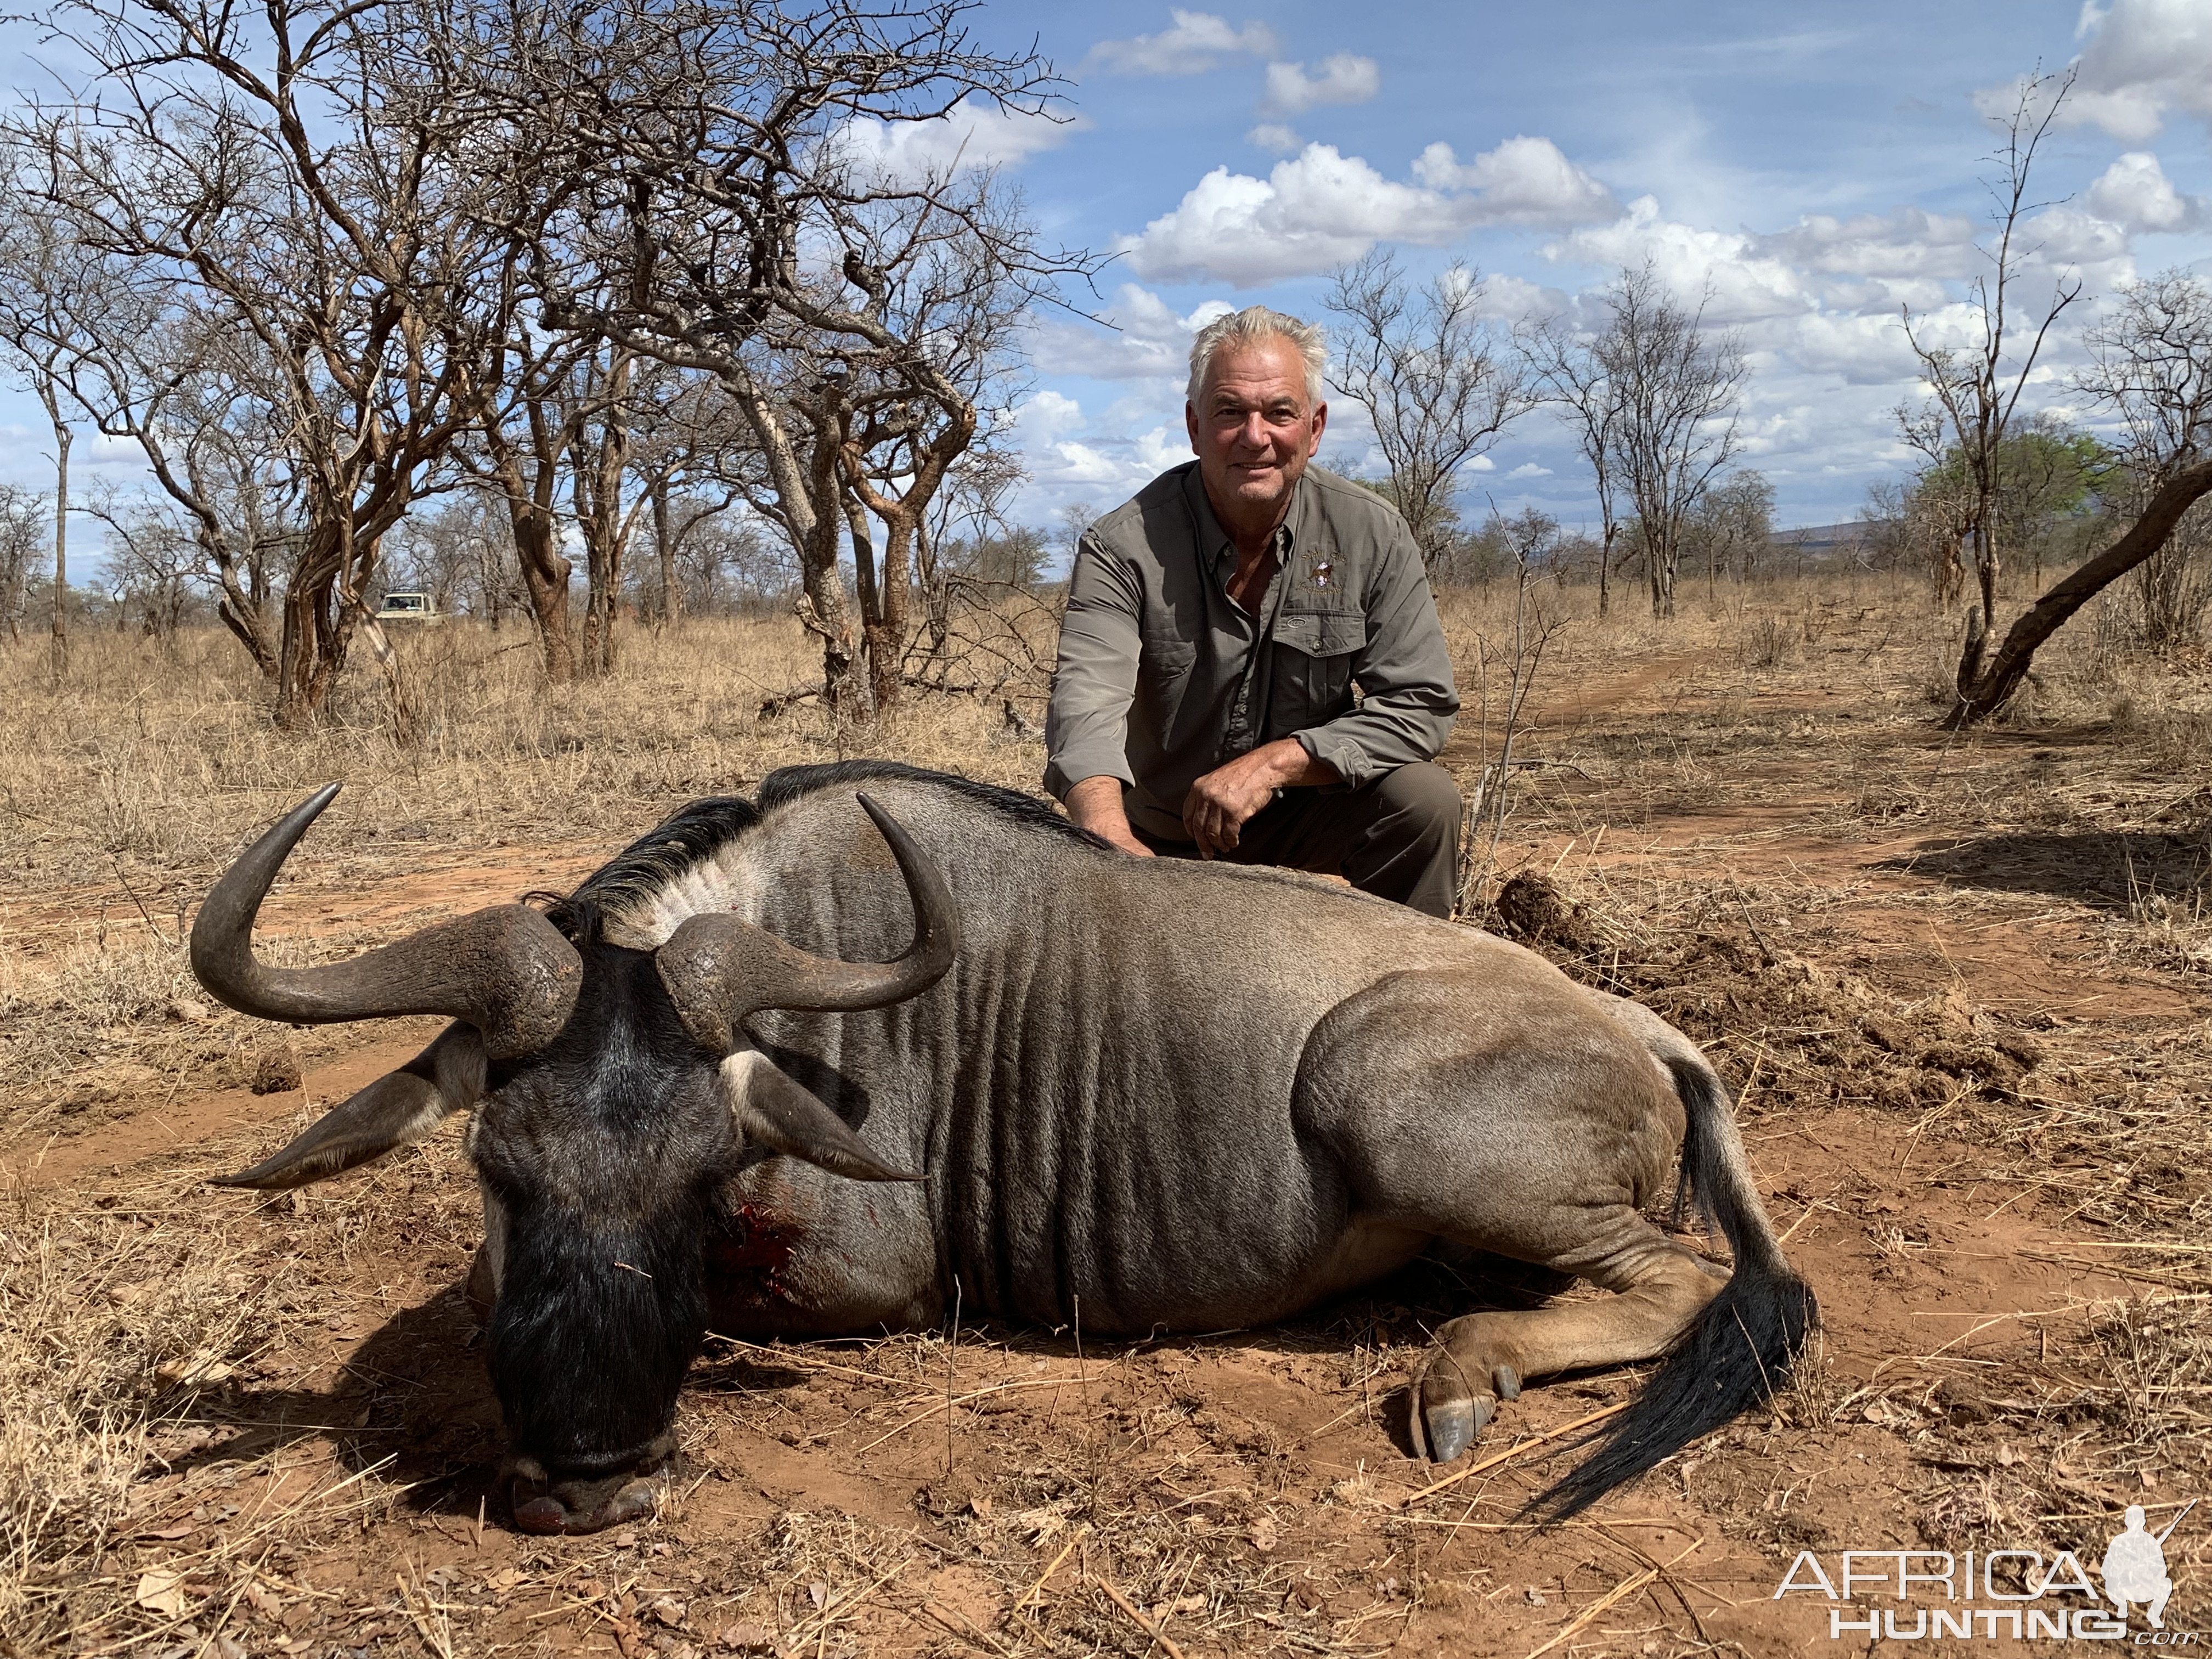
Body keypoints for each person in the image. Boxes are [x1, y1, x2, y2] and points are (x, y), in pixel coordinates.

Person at [1043, 305, 1463, 916]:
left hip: (1302, 815)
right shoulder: (1123, 545)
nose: (1255, 436)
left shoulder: (1371, 532)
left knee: (1423, 802)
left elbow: (1419, 704)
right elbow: (1085, 710)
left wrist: (1273, 766)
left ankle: (1410, 993)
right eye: (1230, 412)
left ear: (1314, 428)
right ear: (1194, 426)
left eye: (1280, 412)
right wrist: (1111, 841)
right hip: (1160, 835)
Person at [2101, 1505, 2174, 1629]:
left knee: (2167, 1584)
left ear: (2143, 1522)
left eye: (2137, 1520)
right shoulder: (2119, 1542)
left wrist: (2148, 1570)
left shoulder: (2151, 1542)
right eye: (2131, 1520)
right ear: (2126, 1521)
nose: (2134, 1523)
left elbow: (2163, 1570)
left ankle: (2154, 1615)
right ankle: (2122, 1608)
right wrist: (2123, 1571)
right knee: (2110, 1584)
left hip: (2144, 1587)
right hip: (2122, 1588)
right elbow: (2105, 1571)